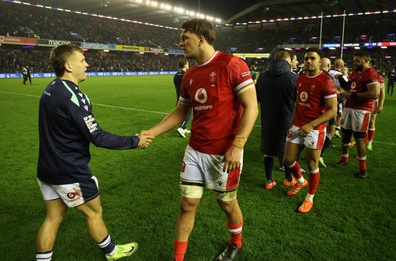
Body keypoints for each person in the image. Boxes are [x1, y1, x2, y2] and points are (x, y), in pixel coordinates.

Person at [141, 19, 258, 261]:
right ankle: (178, 258)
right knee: (187, 205)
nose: (181, 43)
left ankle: (235, 242)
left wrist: (237, 146)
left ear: (201, 39)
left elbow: (251, 107)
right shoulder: (190, 75)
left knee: (227, 204)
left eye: (185, 38)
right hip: (195, 150)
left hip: (224, 152)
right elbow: (180, 112)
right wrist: (153, 131)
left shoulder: (232, 64)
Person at [36, 44, 153, 261]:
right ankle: (112, 252)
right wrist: (135, 141)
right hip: (70, 171)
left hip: (46, 170)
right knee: (94, 212)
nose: (87, 64)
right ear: (69, 65)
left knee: (52, 219)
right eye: (82, 60)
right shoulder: (74, 97)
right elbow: (98, 136)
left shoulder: (50, 89)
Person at [283, 47, 337, 213]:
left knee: (312, 164)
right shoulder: (300, 79)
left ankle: (309, 198)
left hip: (315, 128)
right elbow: (298, 103)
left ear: (319, 62)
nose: (308, 61)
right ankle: (300, 181)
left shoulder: (326, 81)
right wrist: (292, 124)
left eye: (312, 58)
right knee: (288, 159)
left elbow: (332, 110)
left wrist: (312, 125)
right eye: (306, 58)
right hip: (298, 124)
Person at [256, 49, 298, 190]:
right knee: (286, 151)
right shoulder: (293, 78)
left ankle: (268, 181)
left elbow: (256, 98)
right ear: (288, 60)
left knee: (268, 152)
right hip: (287, 120)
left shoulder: (262, 77)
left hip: (267, 120)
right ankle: (288, 179)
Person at [335, 51, 380, 179]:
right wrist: (342, 81)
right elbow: (350, 87)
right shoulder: (355, 72)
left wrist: (352, 95)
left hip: (361, 110)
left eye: (358, 61)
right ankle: (344, 159)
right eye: (354, 60)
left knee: (359, 138)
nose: (355, 63)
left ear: (366, 61)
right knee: (345, 134)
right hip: (349, 107)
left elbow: (374, 94)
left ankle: (362, 168)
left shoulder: (371, 73)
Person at [318, 57, 336, 168]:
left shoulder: (312, 75)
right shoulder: (328, 78)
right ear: (329, 66)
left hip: (313, 110)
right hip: (327, 109)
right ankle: (318, 154)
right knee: (330, 131)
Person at [366, 71, 385, 150]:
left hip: (373, 102)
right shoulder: (361, 74)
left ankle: (370, 142)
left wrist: (381, 105)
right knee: (362, 123)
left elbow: (382, 92)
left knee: (372, 121)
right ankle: (361, 141)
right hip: (362, 101)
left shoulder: (378, 77)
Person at [174, 58, 191, 138]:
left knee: (181, 112)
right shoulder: (186, 74)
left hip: (178, 97)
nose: (188, 65)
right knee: (188, 112)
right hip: (185, 97)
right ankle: (181, 127)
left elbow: (176, 86)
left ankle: (184, 127)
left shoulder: (176, 74)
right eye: (187, 64)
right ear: (184, 65)